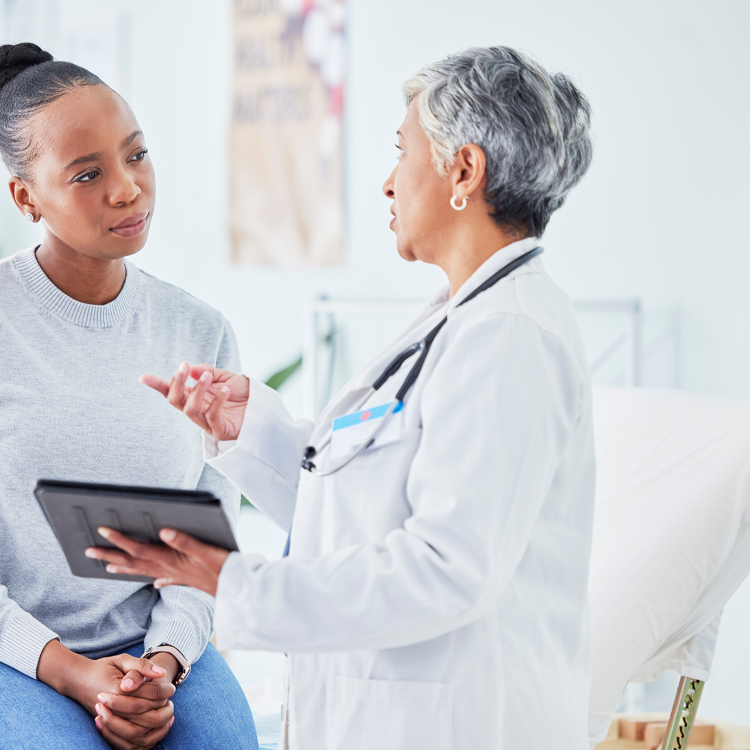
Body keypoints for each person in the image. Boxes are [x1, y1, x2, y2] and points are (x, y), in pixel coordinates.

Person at [86, 47, 597, 749]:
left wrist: (235, 583)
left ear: (464, 171)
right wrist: (253, 433)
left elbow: (449, 570)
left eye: (402, 151)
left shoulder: (508, 334)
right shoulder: (459, 321)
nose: (389, 182)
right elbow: (363, 512)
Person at [0, 43, 258, 750]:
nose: (126, 188)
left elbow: (202, 550)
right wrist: (74, 673)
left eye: (136, 156)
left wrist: (162, 663)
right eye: (88, 174)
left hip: (147, 650)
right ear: (26, 197)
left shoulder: (201, 331)